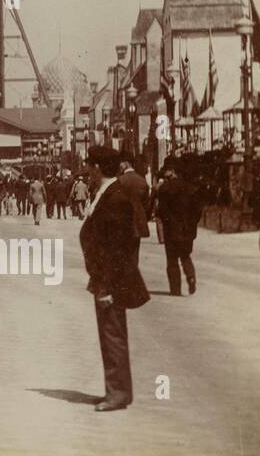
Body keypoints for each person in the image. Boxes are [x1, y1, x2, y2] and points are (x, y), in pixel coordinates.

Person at [79, 146, 150, 411]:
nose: (86, 169)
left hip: (110, 279)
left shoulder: (114, 197)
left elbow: (117, 247)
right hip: (104, 277)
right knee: (110, 333)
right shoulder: (108, 192)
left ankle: (118, 393)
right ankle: (118, 390)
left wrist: (107, 285)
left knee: (112, 334)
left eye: (89, 165)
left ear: (97, 167)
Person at [153, 161, 199, 296]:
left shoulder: (164, 188)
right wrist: (192, 224)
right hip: (187, 230)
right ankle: (190, 276)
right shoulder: (191, 188)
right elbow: (197, 210)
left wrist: (167, 222)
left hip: (171, 229)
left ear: (172, 171)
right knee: (185, 256)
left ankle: (175, 289)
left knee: (172, 260)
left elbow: (161, 210)